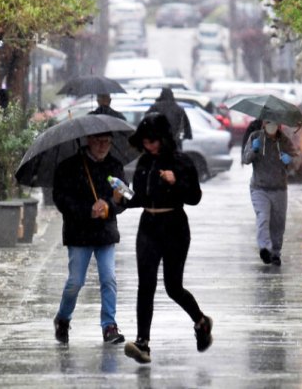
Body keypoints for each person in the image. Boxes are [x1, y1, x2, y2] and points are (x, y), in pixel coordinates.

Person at [122, 113, 212, 364]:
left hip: (174, 227)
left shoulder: (181, 161)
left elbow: (194, 197)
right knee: (146, 285)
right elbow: (139, 198)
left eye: (153, 141)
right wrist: (121, 198)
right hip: (148, 227)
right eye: (145, 142)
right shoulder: (144, 163)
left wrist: (176, 182)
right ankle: (143, 343)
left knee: (173, 287)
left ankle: (201, 322)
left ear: (163, 139)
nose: (149, 146)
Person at [51, 131, 127, 345]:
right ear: (88, 141)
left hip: (105, 232)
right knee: (75, 281)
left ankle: (109, 325)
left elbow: (126, 197)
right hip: (79, 233)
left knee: (108, 278)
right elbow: (60, 199)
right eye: (99, 141)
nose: (103, 146)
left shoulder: (115, 166)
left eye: (107, 142)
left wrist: (109, 205)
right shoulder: (69, 167)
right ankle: (63, 318)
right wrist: (87, 210)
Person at [241, 119, 297, 266]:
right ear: (263, 124)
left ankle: (275, 253)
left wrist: (290, 160)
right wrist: (254, 150)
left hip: (279, 188)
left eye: (274, 122)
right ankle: (265, 248)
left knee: (278, 223)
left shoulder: (284, 140)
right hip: (259, 187)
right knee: (263, 217)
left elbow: (297, 161)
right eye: (267, 122)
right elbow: (245, 159)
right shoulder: (255, 137)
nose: (271, 125)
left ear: (279, 125)